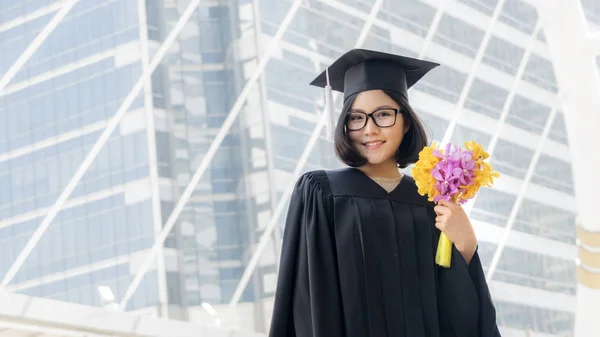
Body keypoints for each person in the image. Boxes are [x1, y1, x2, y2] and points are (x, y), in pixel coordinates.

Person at [268, 49, 501, 337]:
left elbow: (457, 316)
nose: (370, 129)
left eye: (383, 115)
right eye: (356, 118)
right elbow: (307, 303)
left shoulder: (429, 203)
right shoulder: (320, 193)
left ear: (405, 121)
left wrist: (465, 247)